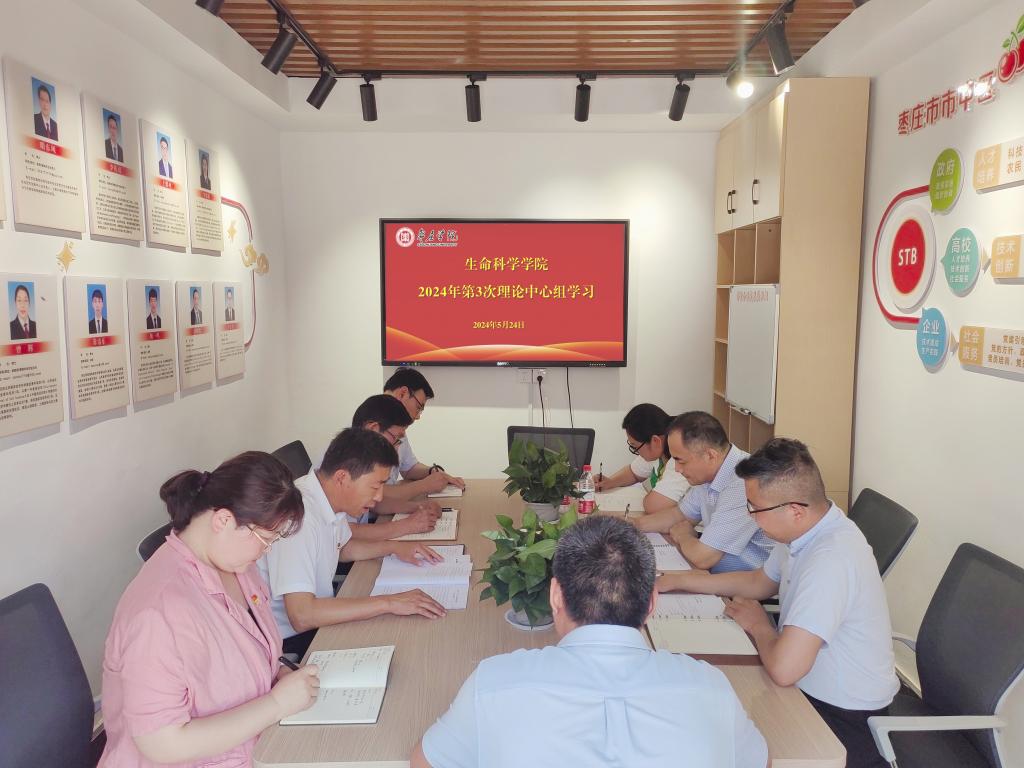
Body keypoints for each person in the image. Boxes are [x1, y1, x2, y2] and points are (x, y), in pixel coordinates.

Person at [412, 515, 767, 768]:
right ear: (651, 604)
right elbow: (759, 761)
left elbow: (426, 763)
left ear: (555, 596)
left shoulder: (493, 682)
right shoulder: (711, 687)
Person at [657, 438, 898, 768]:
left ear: (795, 510)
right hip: (806, 687)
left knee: (714, 741)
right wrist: (682, 580)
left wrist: (759, 625)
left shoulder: (831, 559)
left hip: (840, 717)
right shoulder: (808, 529)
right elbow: (759, 582)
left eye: (755, 509)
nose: (751, 517)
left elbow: (785, 669)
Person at [99, 452, 320, 767]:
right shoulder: (157, 613)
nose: (266, 551)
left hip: (258, 747)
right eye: (265, 540)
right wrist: (276, 704)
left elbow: (247, 656)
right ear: (224, 521)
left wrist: (277, 676)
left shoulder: (237, 566)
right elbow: (163, 744)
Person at [259, 428, 447, 659]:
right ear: (342, 478)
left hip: (320, 617)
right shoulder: (299, 518)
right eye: (375, 486)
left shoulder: (326, 497)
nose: (379, 497)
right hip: (293, 641)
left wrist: (394, 548)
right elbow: (302, 615)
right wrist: (389, 602)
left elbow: (343, 548)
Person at [659, 411, 775, 572]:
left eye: (681, 461)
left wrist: (684, 536)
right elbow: (679, 515)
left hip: (748, 583)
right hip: (722, 576)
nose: (677, 469)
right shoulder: (707, 474)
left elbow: (703, 558)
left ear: (710, 455)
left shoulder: (743, 481)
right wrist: (634, 523)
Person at [344, 394, 442, 541]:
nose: (397, 448)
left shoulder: (364, 459)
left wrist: (417, 507)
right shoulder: (347, 465)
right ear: (373, 428)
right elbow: (346, 534)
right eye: (395, 439)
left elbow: (375, 504)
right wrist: (407, 525)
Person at [380, 368, 465, 503]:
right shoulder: (369, 430)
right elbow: (377, 496)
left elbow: (408, 468)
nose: (418, 416)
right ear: (402, 393)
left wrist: (433, 472)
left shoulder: (396, 426)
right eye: (419, 407)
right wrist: (424, 485)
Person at [593, 403, 689, 522]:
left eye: (635, 446)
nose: (637, 452)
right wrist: (610, 482)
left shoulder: (679, 461)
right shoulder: (659, 450)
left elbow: (654, 506)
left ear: (655, 441)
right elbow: (633, 472)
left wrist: (650, 495)